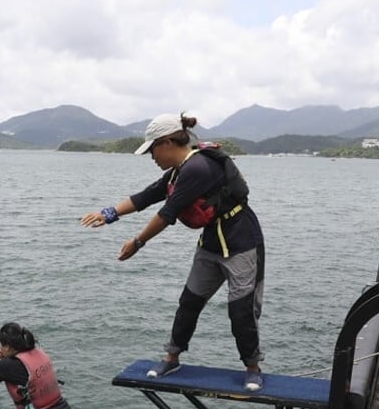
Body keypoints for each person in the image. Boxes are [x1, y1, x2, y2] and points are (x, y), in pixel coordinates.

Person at [80, 113, 266, 391]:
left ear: (167, 143)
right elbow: (148, 195)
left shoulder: (198, 168)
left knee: (240, 311)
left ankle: (252, 367)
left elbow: (167, 214)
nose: (151, 156)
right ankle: (171, 358)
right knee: (189, 302)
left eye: (152, 149)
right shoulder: (181, 170)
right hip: (212, 243)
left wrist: (138, 242)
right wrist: (108, 214)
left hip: (241, 243)